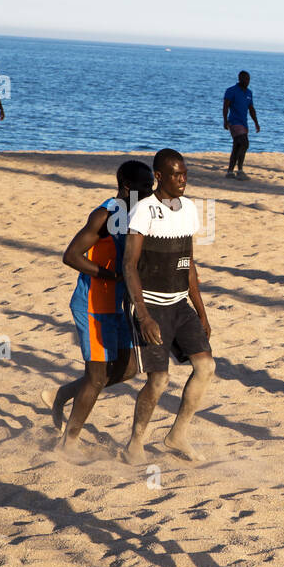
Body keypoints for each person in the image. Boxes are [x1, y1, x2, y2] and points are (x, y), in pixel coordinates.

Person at [44, 161, 155, 455]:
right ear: (127, 186)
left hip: (117, 307)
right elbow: (71, 256)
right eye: (145, 186)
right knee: (95, 377)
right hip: (92, 304)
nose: (150, 191)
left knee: (130, 368)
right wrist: (109, 275)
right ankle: (68, 441)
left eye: (152, 185)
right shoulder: (104, 215)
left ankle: (64, 393)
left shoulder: (137, 216)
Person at [121, 149, 215, 464]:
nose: (182, 180)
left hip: (179, 304)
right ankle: (135, 443)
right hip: (150, 306)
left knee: (206, 367)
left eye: (185, 173)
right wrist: (144, 315)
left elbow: (189, 264)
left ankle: (177, 435)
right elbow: (129, 265)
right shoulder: (143, 211)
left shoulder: (189, 208)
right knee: (159, 380)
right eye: (176, 174)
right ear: (159, 176)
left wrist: (201, 311)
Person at [222, 71, 260, 179]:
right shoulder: (231, 91)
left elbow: (251, 109)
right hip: (234, 122)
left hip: (244, 123)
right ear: (240, 79)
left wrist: (256, 122)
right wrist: (225, 120)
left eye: (248, 79)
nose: (247, 81)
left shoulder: (249, 93)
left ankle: (230, 171)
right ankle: (240, 170)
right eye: (245, 79)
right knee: (245, 143)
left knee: (237, 146)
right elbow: (225, 106)